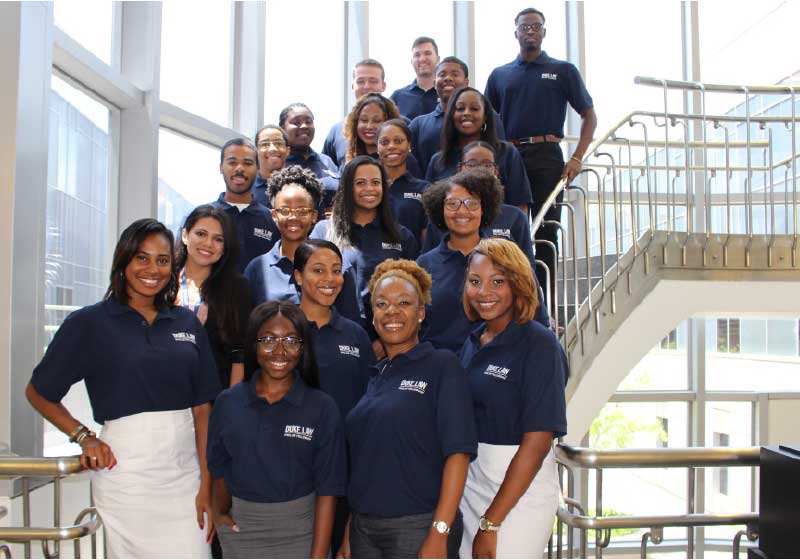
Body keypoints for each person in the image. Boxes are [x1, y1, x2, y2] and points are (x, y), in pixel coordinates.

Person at [26, 218, 221, 558]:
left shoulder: (186, 322)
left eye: (162, 260)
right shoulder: (89, 323)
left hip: (185, 474)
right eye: (141, 258)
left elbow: (203, 410)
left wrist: (208, 485)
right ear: (124, 260)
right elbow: (39, 392)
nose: (153, 269)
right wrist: (84, 437)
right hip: (126, 475)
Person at [342, 259, 477, 559]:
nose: (392, 311)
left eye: (404, 302)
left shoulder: (442, 365)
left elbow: (459, 454)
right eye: (381, 304)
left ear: (420, 313)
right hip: (364, 530)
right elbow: (369, 464)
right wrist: (351, 530)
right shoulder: (374, 375)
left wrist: (439, 532)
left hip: (418, 527)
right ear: (373, 315)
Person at [208, 302, 346, 558]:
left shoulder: (322, 407)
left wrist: (317, 557)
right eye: (268, 340)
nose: (280, 351)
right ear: (254, 344)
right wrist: (219, 515)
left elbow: (328, 491)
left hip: (301, 534)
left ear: (303, 348)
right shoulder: (228, 403)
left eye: (291, 340)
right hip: (242, 534)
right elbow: (218, 467)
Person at [459, 238, 567, 558]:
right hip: (473, 483)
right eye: (475, 282)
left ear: (518, 284)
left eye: (498, 282)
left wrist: (491, 523)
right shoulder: (474, 340)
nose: (484, 292)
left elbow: (537, 443)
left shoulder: (540, 345)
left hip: (520, 492)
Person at [485, 6, 597, 298]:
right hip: (509, 158)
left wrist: (576, 158)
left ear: (544, 32)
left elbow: (589, 116)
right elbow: (488, 120)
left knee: (546, 231)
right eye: (525, 27)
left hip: (547, 157)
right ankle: (507, 297)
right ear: (516, 33)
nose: (530, 31)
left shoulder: (562, 71)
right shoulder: (500, 75)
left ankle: (542, 303)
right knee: (505, 229)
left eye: (536, 26)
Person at [293, 239, 376, 553]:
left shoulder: (354, 334)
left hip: (344, 469)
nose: (330, 278)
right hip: (293, 467)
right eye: (318, 270)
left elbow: (369, 400)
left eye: (337, 271)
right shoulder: (282, 327)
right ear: (298, 276)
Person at [418, 170, 548, 354]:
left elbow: (537, 318)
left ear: (483, 208)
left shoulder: (509, 258)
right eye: (452, 203)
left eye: (471, 203)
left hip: (499, 365)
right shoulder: (423, 265)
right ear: (441, 209)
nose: (462, 210)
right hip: (441, 371)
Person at [310, 156, 418, 340]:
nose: (369, 189)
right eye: (360, 182)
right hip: (333, 336)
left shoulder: (402, 236)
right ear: (347, 187)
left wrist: (383, 340)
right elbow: (311, 288)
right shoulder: (323, 232)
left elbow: (413, 293)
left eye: (375, 182)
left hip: (388, 339)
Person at [243, 166, 360, 323]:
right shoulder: (257, 269)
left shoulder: (338, 266)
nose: (293, 217)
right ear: (274, 215)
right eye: (285, 211)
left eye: (302, 211)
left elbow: (353, 325)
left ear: (314, 216)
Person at [177, 205, 252, 389]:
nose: (208, 244)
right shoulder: (163, 282)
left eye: (218, 239)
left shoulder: (237, 288)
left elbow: (240, 353)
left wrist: (231, 404)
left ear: (225, 247)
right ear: (185, 235)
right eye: (201, 234)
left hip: (216, 394)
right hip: (167, 394)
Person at [426, 87, 532, 215]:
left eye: (474, 108)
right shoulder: (438, 160)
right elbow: (430, 211)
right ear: (451, 115)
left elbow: (520, 205)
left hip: (498, 232)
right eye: (460, 108)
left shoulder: (507, 153)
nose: (466, 113)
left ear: (485, 116)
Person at [410, 57, 506, 174]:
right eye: (442, 74)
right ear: (434, 83)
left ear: (466, 82)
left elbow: (500, 153)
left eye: (455, 74)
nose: (448, 78)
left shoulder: (489, 117)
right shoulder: (418, 124)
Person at [211, 138, 280, 273]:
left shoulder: (272, 220)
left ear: (258, 168)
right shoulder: (203, 217)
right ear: (221, 167)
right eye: (232, 162)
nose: (240, 168)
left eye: (248, 163)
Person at [323, 59, 388, 168]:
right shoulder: (337, 131)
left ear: (383, 86)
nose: (366, 86)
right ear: (353, 86)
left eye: (373, 81)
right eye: (360, 81)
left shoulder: (401, 125)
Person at [279, 103, 340, 213]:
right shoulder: (279, 162)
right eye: (296, 122)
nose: (304, 126)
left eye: (309, 121)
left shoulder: (327, 161)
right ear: (282, 128)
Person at [377, 118, 429, 246]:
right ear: (377, 148)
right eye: (384, 142)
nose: (391, 146)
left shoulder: (425, 189)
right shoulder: (369, 188)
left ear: (409, 145)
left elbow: (427, 241)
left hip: (411, 263)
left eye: (398, 141)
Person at [344, 93, 424, 177]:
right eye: (364, 120)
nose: (369, 126)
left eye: (377, 121)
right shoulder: (352, 155)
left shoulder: (403, 158)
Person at [389, 36, 441, 120]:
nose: (422, 59)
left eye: (427, 53)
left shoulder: (447, 95)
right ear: (411, 61)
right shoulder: (397, 97)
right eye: (417, 55)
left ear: (438, 59)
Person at [252, 124, 291, 207]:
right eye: (265, 144)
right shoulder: (247, 188)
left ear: (288, 151)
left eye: (278, 143)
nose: (272, 149)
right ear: (256, 152)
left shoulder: (299, 186)